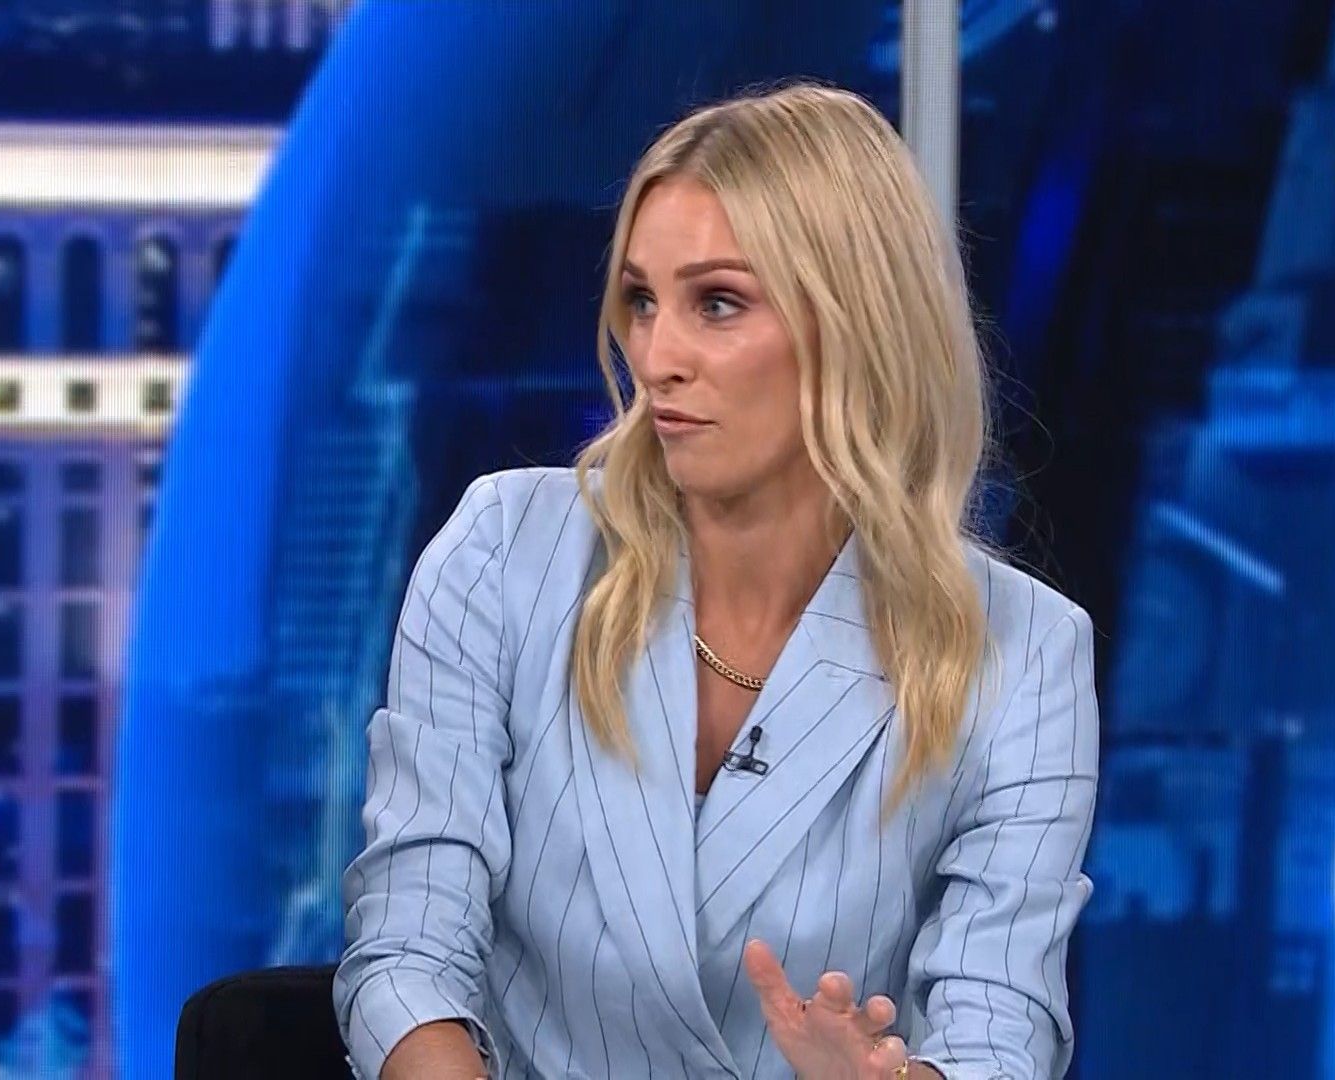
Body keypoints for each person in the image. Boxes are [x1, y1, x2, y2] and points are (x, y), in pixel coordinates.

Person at [335, 81, 1099, 1080]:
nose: (658, 357)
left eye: (718, 304)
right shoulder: (503, 552)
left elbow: (1000, 1036)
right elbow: (407, 954)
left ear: (855, 324)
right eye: (642, 301)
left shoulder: (1022, 653)